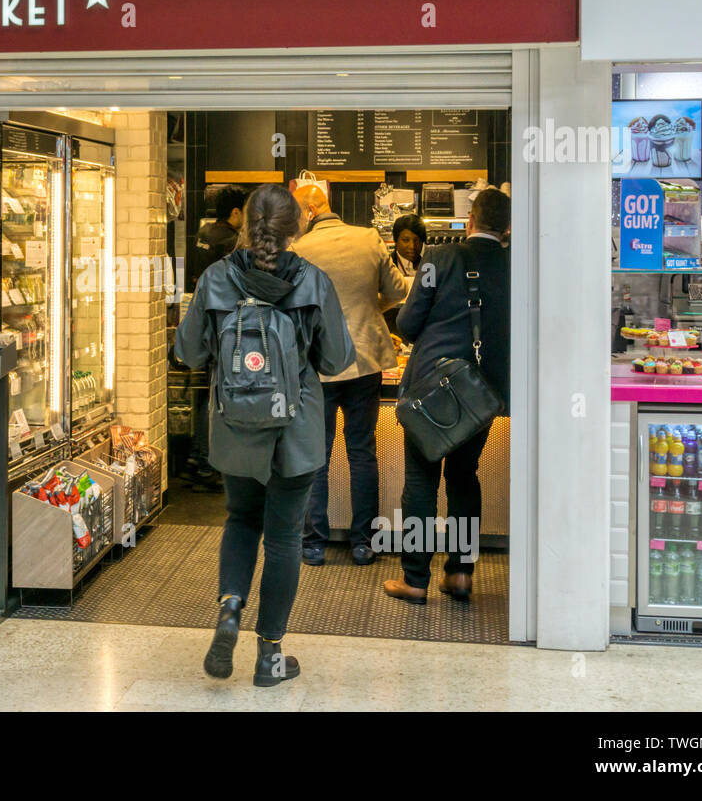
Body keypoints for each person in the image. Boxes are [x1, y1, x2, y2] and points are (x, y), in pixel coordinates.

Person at [175, 184, 354, 687]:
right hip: (295, 432)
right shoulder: (313, 282)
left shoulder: (215, 279)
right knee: (283, 540)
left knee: (240, 518)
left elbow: (187, 353)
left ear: (245, 223)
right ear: (296, 227)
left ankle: (230, 609)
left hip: (235, 430)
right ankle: (270, 655)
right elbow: (338, 360)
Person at [383, 188, 511, 605]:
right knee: (464, 477)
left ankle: (415, 579)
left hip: (432, 389)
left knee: (421, 480)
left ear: (470, 220)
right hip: (482, 392)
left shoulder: (440, 259)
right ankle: (459, 573)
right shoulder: (515, 264)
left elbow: (407, 323)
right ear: (506, 228)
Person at [291, 186, 409, 567]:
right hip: (364, 360)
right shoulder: (368, 238)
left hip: (318, 366)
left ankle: (313, 544)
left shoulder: (299, 250)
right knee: (362, 453)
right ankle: (364, 543)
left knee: (316, 456)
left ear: (309, 211)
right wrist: (372, 308)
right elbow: (397, 290)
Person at [185, 184, 250, 488]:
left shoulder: (205, 233)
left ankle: (200, 456)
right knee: (221, 393)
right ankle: (208, 461)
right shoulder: (231, 241)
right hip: (225, 323)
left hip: (203, 320)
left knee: (207, 389)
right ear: (236, 212)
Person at [389, 213, 427, 278]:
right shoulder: (387, 266)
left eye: (417, 241)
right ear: (396, 240)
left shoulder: (430, 265)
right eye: (406, 240)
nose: (412, 246)